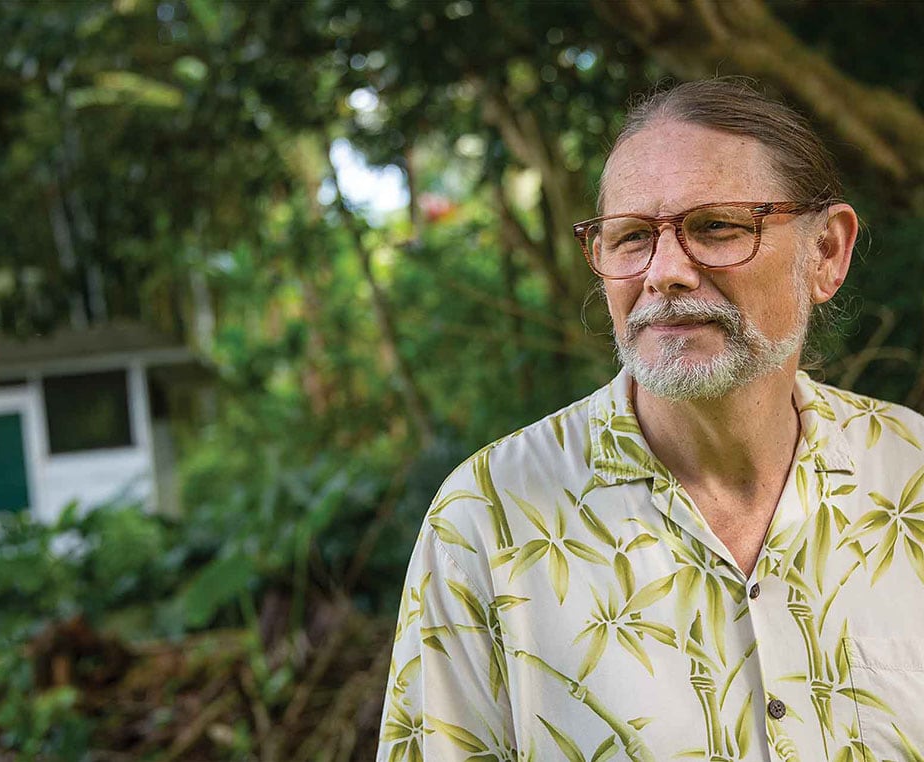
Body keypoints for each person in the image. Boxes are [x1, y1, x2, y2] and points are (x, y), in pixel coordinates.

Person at [376, 79, 924, 762]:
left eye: (718, 227)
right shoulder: (488, 521)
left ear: (827, 254)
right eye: (632, 237)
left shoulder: (912, 476)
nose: (665, 272)